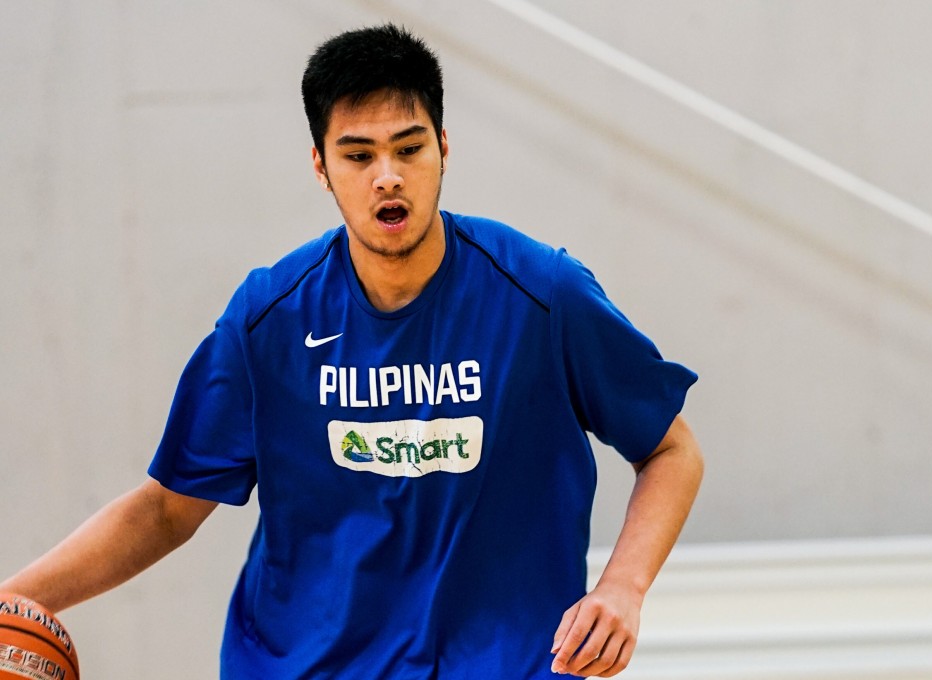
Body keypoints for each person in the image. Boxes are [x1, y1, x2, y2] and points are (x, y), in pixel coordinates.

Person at [1, 23, 703, 679]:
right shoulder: (267, 318)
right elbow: (165, 509)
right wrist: (15, 601)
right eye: (359, 155)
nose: (387, 176)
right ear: (321, 166)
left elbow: (671, 451)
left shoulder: (544, 296)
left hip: (498, 662)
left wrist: (624, 587)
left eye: (409, 147)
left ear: (444, 149)